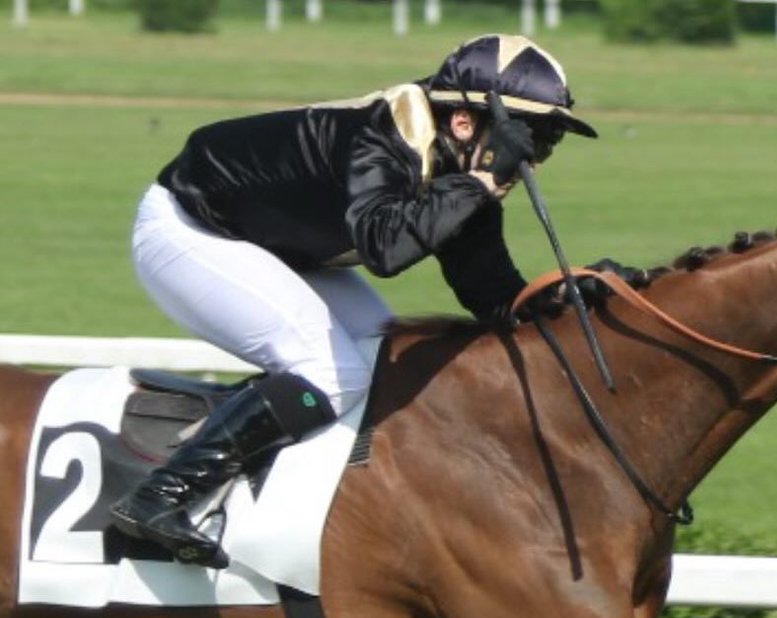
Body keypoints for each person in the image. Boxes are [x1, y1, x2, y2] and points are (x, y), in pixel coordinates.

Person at [109, 33, 598, 569]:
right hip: (190, 230)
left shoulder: (461, 169)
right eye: (531, 139)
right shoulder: (382, 137)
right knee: (332, 371)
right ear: (464, 122)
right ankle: (161, 496)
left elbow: (494, 294)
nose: (532, 160)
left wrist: (576, 294)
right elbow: (384, 247)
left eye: (545, 144)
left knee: (383, 364)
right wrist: (481, 182)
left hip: (270, 243)